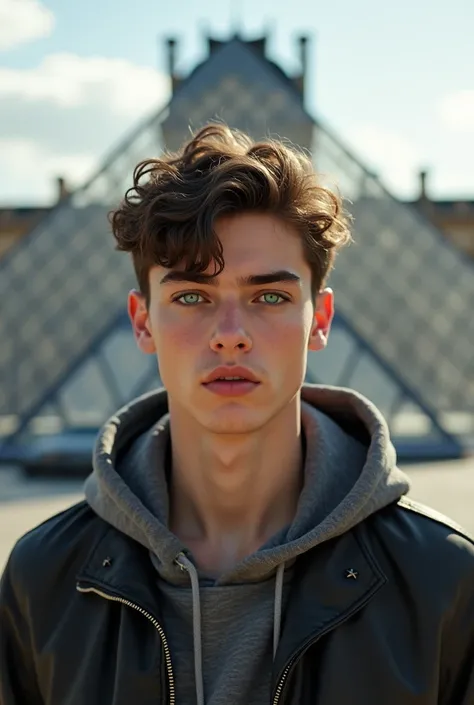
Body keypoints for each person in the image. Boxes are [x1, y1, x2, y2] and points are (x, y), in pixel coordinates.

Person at [1, 124, 473, 705]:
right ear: (142, 320)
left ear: (319, 319)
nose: (230, 337)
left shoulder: (446, 582)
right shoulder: (38, 579)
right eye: (192, 297)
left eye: (269, 297)